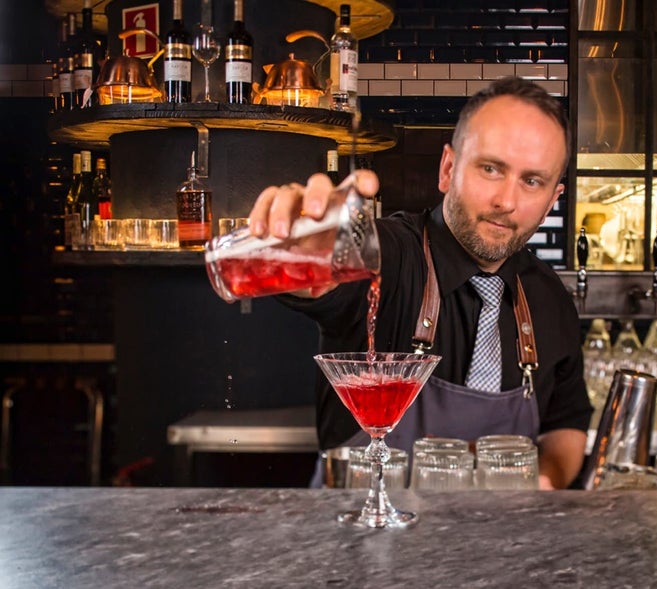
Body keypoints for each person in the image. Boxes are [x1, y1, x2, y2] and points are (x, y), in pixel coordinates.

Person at [248, 76, 592, 489]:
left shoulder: (549, 298)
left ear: (553, 199)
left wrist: (542, 480)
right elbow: (324, 276)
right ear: (448, 169)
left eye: (531, 181)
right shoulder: (390, 256)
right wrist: (307, 246)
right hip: (359, 542)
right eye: (490, 168)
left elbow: (566, 426)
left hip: (502, 542)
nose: (507, 201)